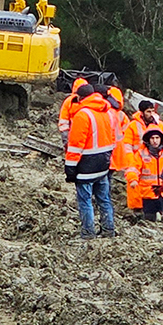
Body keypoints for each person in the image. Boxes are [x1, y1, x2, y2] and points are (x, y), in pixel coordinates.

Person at [62, 81, 119, 239]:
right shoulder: (107, 111)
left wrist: (70, 168)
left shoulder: (83, 115)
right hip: (104, 163)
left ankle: (88, 233)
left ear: (80, 98)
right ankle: (108, 229)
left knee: (85, 200)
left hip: (87, 165)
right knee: (104, 198)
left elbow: (75, 145)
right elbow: (113, 137)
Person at [127, 128, 163, 222]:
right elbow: (133, 168)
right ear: (148, 139)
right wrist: (133, 179)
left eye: (157, 138)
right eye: (152, 138)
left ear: (161, 139)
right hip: (148, 193)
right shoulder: (141, 153)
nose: (155, 141)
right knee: (149, 220)